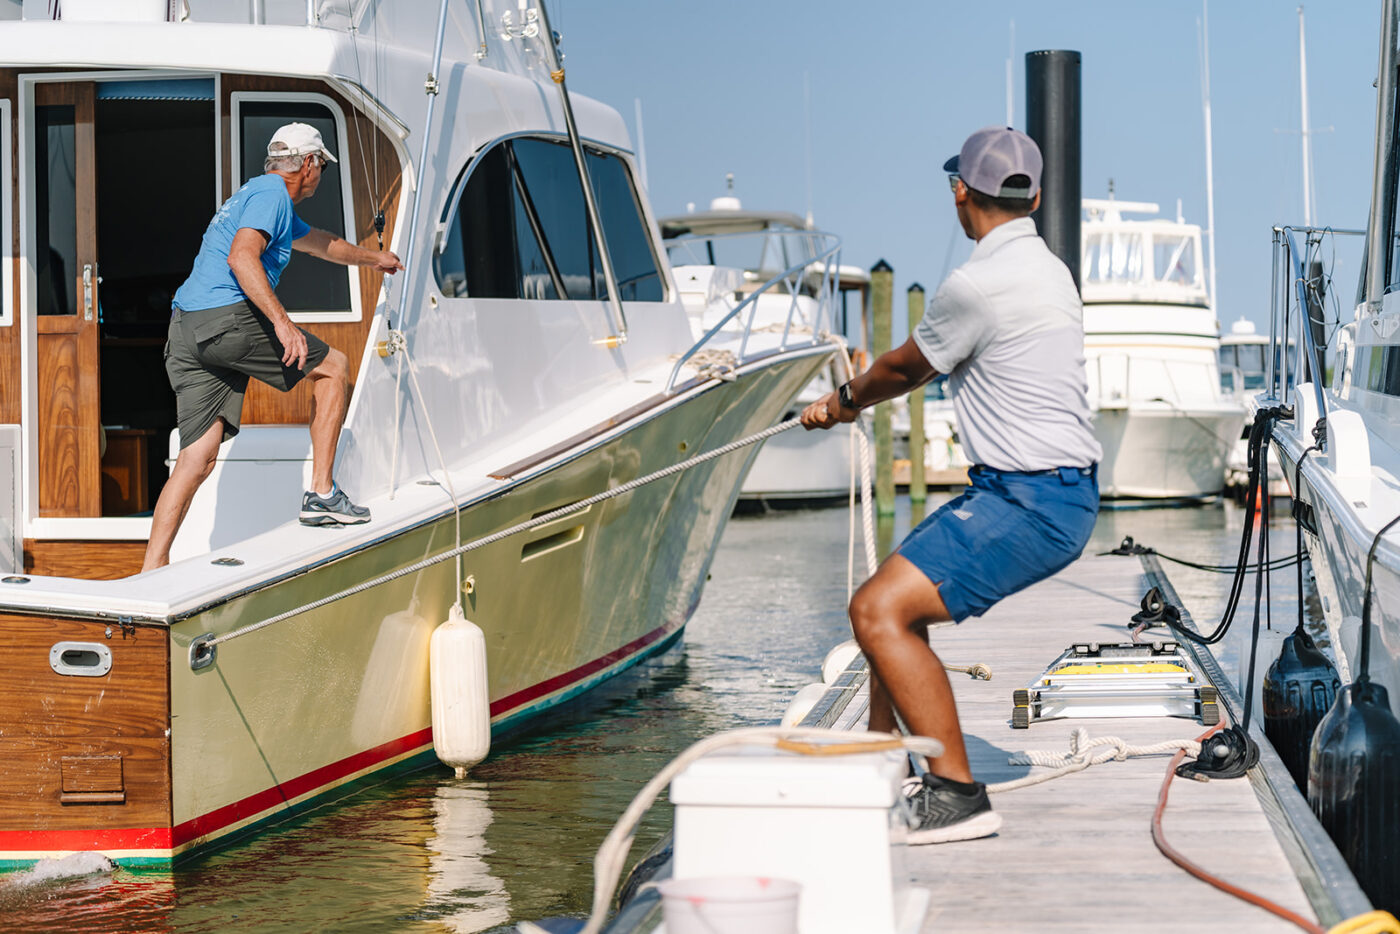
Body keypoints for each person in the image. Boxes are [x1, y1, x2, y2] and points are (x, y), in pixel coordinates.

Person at [801, 126, 1102, 843]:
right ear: (1031, 194)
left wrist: (839, 403)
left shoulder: (978, 283)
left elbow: (907, 368)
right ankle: (880, 760)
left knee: (878, 613)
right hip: (1036, 490)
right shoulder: (1047, 267)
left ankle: (956, 795)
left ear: (960, 192)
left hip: (1032, 500)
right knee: (888, 598)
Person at [142, 123, 403, 572]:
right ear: (308, 164)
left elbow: (322, 244)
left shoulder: (257, 196)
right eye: (321, 165)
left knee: (197, 457)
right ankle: (322, 495)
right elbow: (241, 257)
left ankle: (152, 567)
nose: (320, 175)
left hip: (186, 329)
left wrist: (374, 258)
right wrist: (283, 324)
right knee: (333, 367)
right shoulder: (272, 197)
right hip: (224, 318)